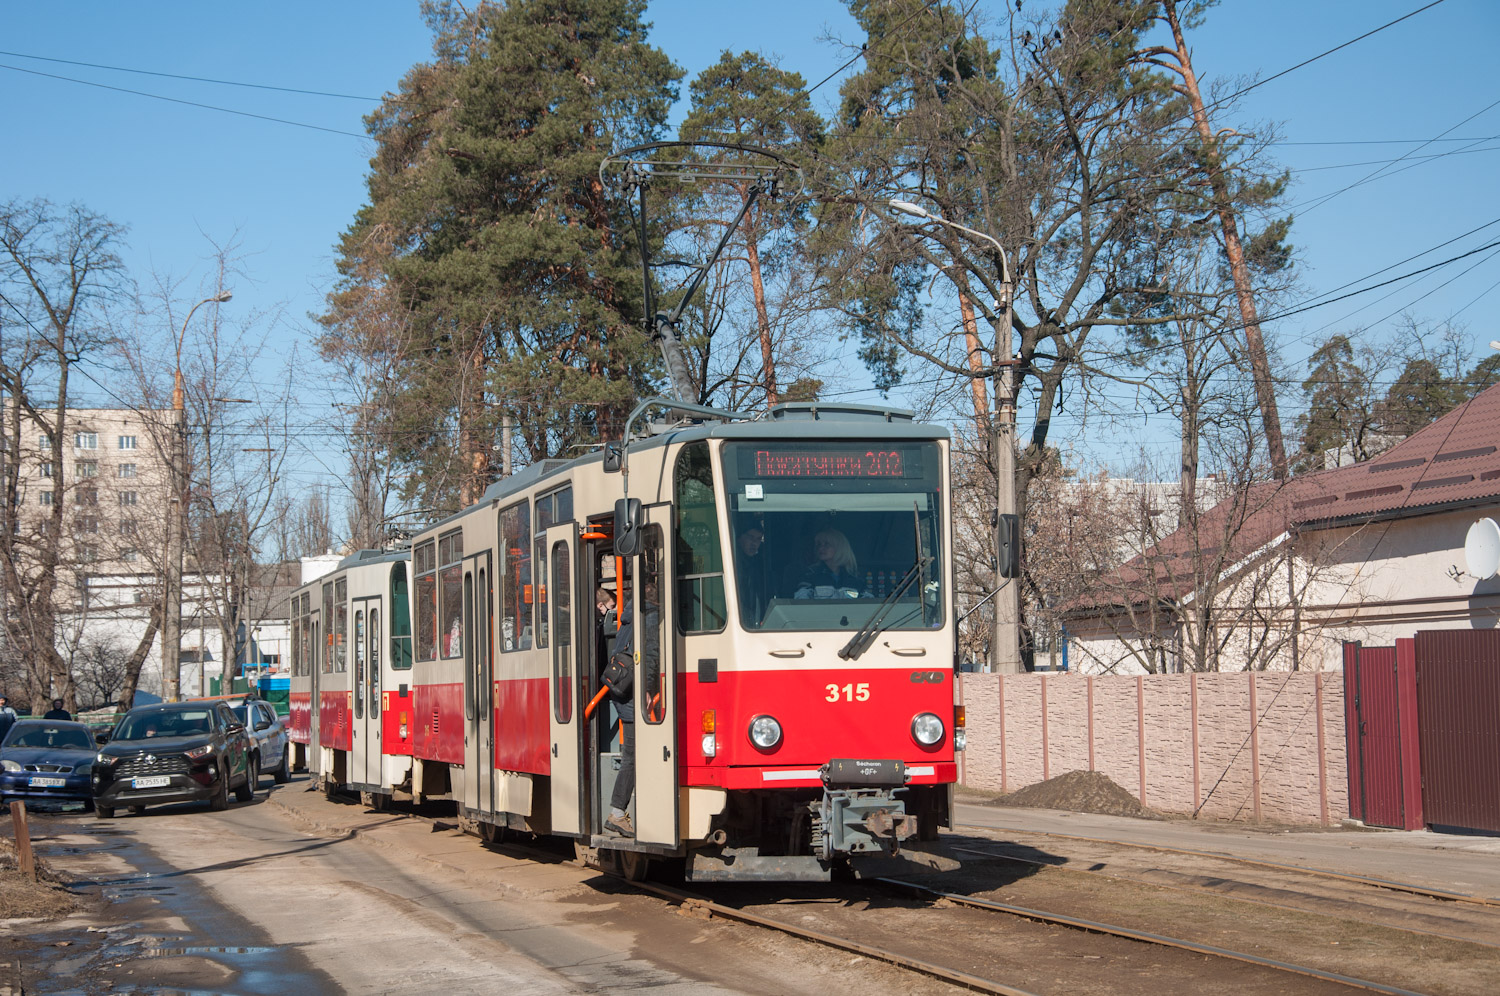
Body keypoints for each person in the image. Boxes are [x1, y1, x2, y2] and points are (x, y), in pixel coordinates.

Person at [605, 581, 658, 839]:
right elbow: (650, 655)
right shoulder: (650, 617)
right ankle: (617, 812)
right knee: (633, 756)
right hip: (635, 694)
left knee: (634, 754)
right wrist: (647, 688)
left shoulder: (629, 616)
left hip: (622, 691)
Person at [794, 529, 867, 599]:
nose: (821, 548)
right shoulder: (810, 575)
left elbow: (868, 603)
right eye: (818, 544)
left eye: (826, 544)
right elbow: (801, 601)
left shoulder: (855, 577)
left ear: (840, 547)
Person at [735, 525, 768, 625]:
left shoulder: (760, 562)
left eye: (758, 539)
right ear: (739, 538)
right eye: (750, 537)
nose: (754, 543)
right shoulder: (734, 561)